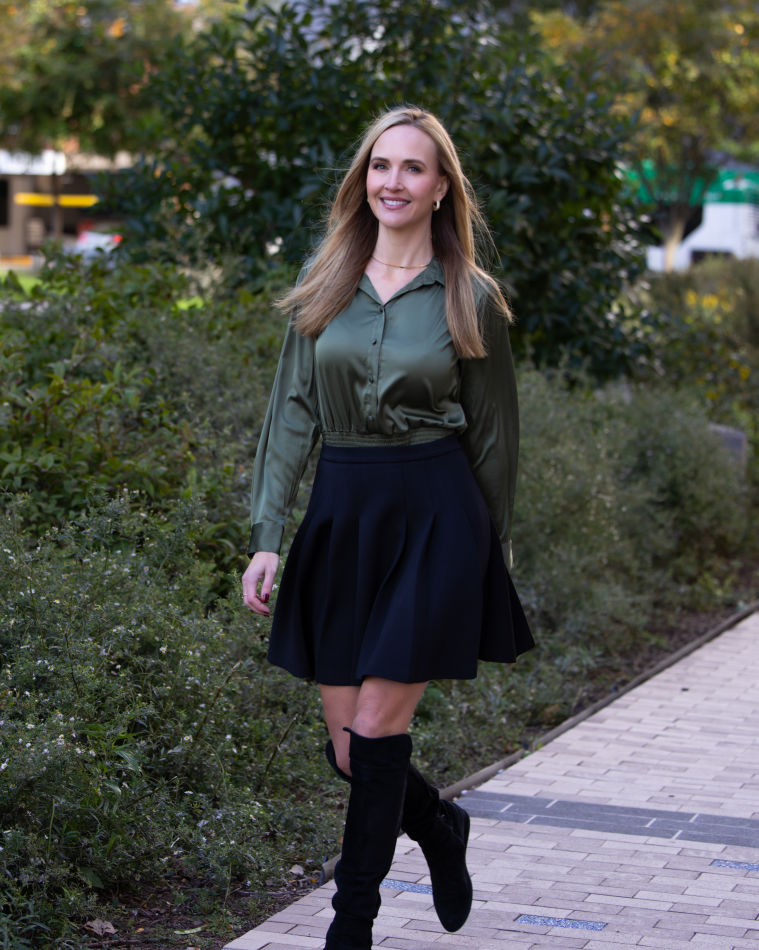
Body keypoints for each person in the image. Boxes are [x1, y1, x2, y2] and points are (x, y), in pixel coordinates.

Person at [242, 105, 533, 950]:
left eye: (412, 167)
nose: (392, 182)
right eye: (379, 165)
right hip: (343, 513)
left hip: (437, 516)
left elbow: (494, 440)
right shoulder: (326, 281)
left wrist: (484, 560)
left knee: (375, 733)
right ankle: (438, 824)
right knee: (348, 752)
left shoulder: (470, 297)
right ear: (361, 180)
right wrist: (268, 534)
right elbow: (290, 414)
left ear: (441, 188)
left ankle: (351, 928)